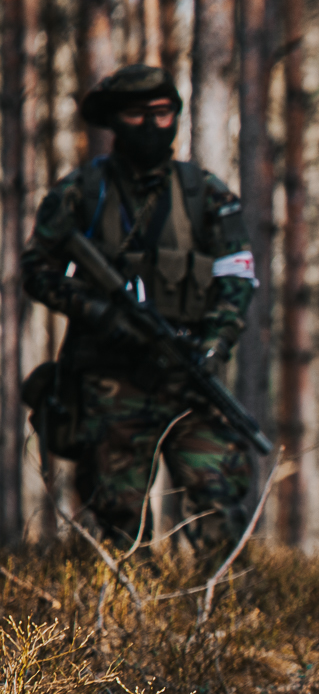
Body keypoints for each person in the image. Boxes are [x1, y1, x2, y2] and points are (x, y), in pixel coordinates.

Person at [21, 64, 259, 554]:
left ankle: (229, 616)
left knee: (222, 499)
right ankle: (129, 622)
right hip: (109, 386)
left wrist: (214, 346)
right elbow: (37, 270)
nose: (152, 125)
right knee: (118, 521)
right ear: (113, 121)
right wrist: (103, 317)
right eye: (136, 114)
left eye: (163, 112)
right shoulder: (80, 193)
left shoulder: (206, 194)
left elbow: (237, 278)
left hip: (187, 378)